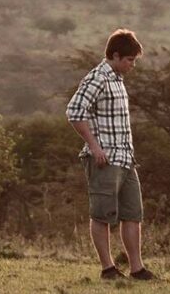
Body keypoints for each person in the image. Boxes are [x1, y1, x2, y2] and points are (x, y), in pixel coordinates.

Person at [66, 29, 155, 281]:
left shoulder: (117, 79)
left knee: (133, 214)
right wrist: (94, 147)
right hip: (105, 158)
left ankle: (137, 268)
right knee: (102, 214)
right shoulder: (98, 78)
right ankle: (108, 268)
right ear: (115, 56)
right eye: (129, 60)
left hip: (126, 158)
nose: (132, 65)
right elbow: (74, 111)